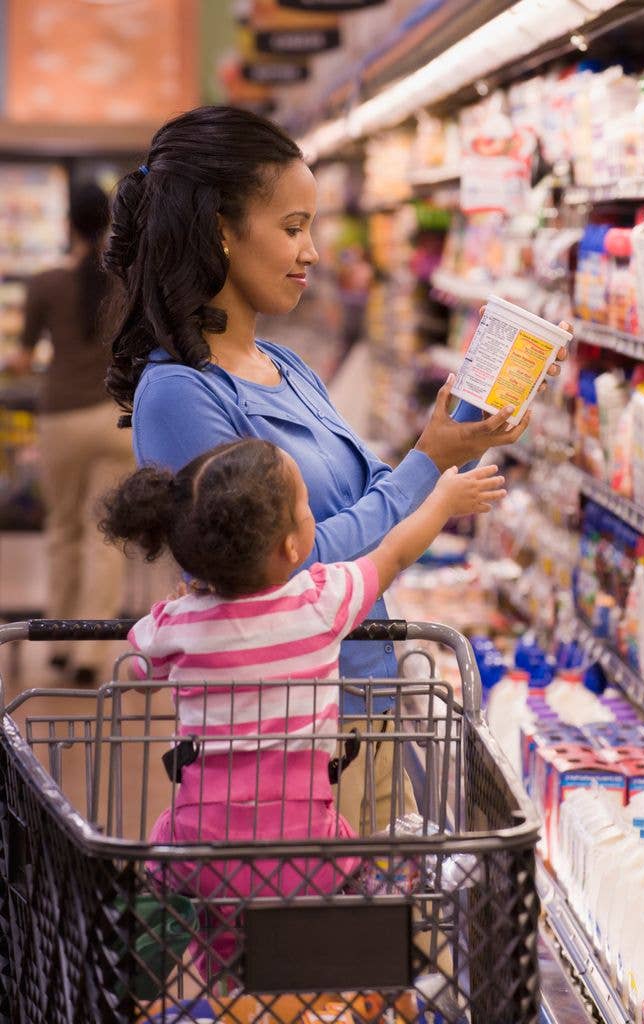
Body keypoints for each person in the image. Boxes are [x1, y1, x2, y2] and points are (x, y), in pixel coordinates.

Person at [104, 105, 570, 831]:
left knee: (385, 935)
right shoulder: (180, 393)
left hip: (366, 706)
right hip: (289, 748)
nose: (314, 251)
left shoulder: (285, 368)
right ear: (221, 231)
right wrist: (426, 468)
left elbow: (368, 499)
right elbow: (279, 571)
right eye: (293, 227)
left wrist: (456, 439)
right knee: (336, 941)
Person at [99, 433, 506, 976]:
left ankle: (171, 957)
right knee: (405, 850)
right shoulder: (319, 601)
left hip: (201, 857)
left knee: (220, 946)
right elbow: (395, 551)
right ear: (291, 549)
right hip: (308, 854)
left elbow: (146, 662)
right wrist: (442, 502)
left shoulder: (178, 625)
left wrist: (186, 601)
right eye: (306, 507)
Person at [17, 182, 133, 684]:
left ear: (68, 226)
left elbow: (23, 358)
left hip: (60, 417)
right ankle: (91, 653)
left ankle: (58, 643)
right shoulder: (125, 282)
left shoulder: (45, 284)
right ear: (108, 224)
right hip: (114, 418)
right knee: (103, 536)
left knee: (62, 529)